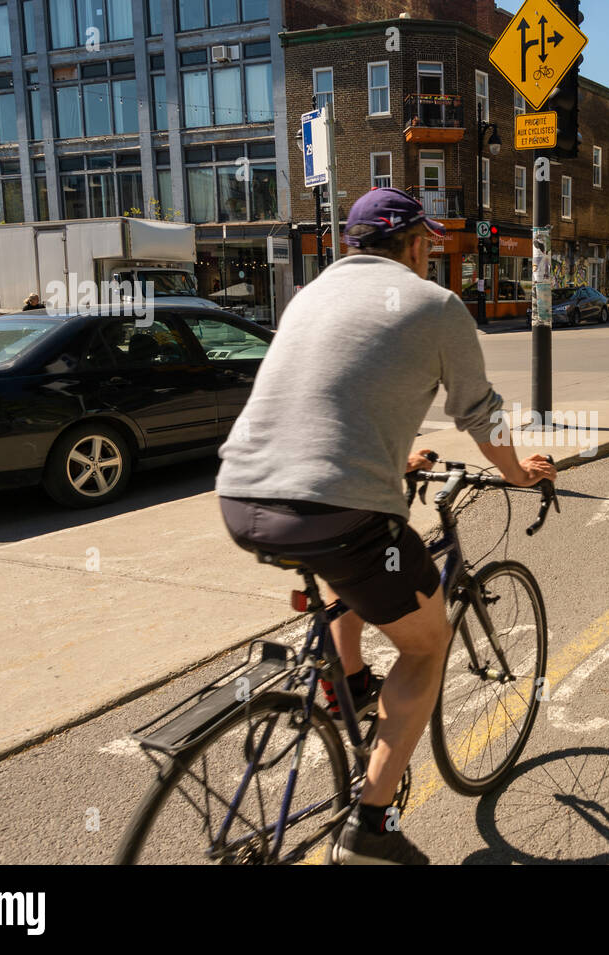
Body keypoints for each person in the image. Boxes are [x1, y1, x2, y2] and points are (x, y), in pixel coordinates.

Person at [215, 187, 555, 864]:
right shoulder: (436, 305)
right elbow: (479, 411)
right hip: (336, 508)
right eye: (429, 243)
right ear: (418, 243)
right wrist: (521, 472)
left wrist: (390, 456)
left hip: (241, 495)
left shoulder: (309, 296)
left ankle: (349, 689)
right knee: (427, 643)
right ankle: (370, 827)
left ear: (352, 242)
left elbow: (320, 394)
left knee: (353, 577)